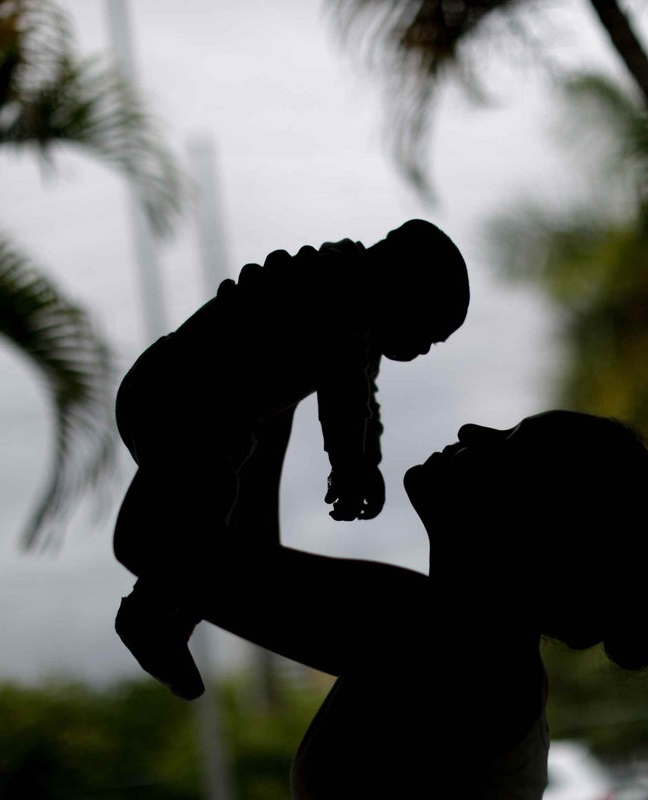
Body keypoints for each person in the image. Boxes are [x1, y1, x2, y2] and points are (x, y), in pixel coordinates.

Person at [186, 409, 648, 799]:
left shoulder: (447, 647)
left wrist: (274, 376)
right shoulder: (480, 656)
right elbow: (239, 565)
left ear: (537, 530)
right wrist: (287, 383)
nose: (473, 432)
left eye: (510, 445)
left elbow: (179, 558)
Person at [112, 219, 471, 699]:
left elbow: (361, 391)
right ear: (404, 285)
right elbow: (346, 392)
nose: (424, 347)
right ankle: (151, 613)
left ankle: (169, 612)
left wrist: (365, 459)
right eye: (429, 330)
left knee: (217, 517)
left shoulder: (355, 305)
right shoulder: (344, 295)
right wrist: (353, 466)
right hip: (175, 396)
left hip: (208, 413)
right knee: (208, 510)